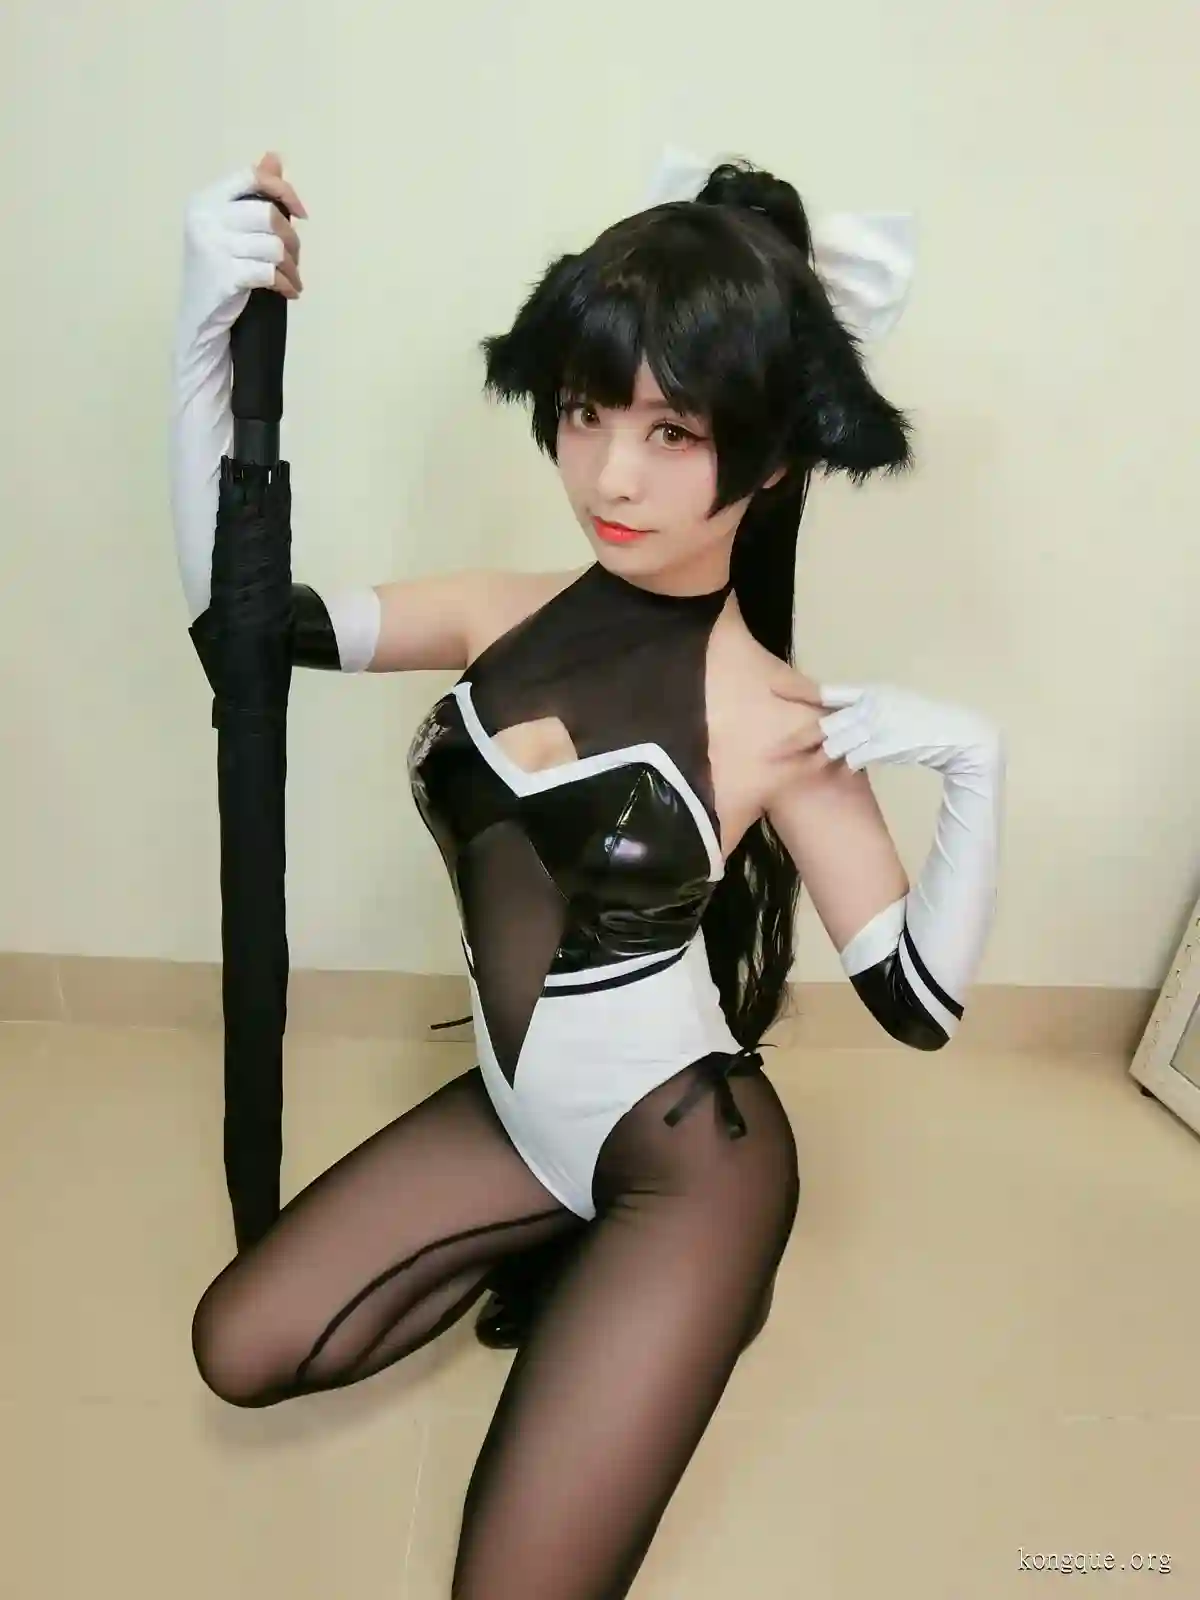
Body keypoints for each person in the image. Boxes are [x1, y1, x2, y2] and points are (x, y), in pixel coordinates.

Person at [170, 149, 1003, 1598]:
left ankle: (652, 1283)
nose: (612, 475)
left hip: (687, 1169)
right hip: (517, 1113)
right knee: (235, 1347)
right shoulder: (499, 611)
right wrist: (199, 350)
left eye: (674, 431)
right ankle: (554, 1247)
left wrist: (977, 769)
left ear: (773, 456)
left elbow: (918, 1006)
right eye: (584, 412)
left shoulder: (775, 720)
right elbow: (238, 627)